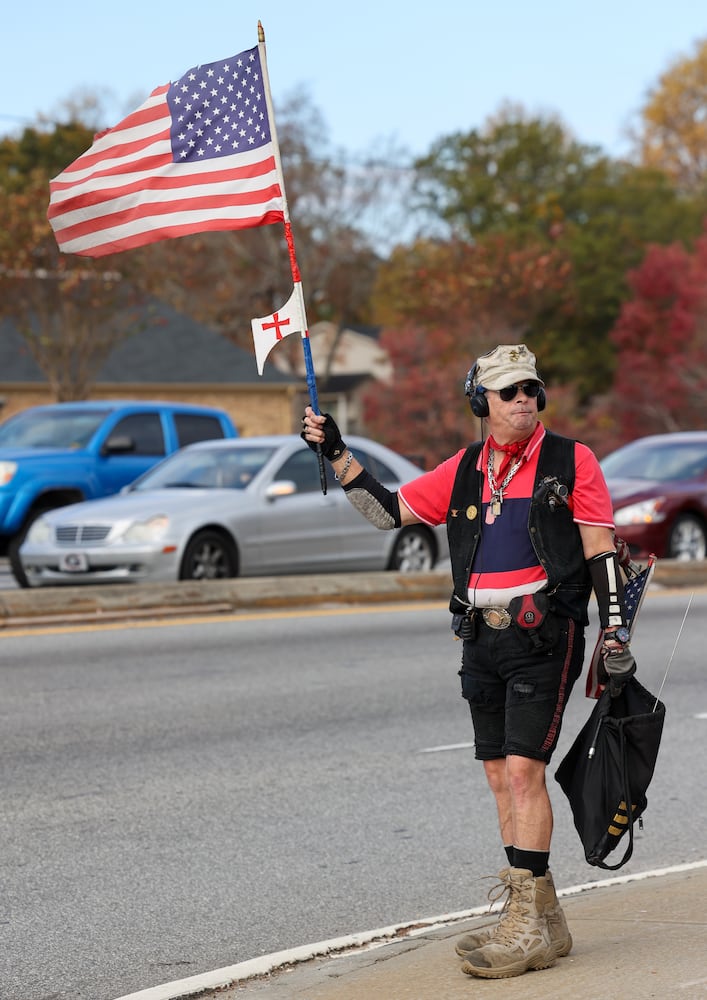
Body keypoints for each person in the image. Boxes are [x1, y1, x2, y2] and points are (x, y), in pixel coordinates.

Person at [301, 343, 637, 981]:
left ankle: (527, 927)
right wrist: (338, 454)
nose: (522, 401)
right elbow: (388, 512)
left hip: (544, 634)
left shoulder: (571, 460)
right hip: (479, 639)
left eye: (530, 389)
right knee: (496, 777)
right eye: (508, 392)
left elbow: (600, 553)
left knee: (521, 773)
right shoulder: (463, 468)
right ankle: (537, 915)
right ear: (480, 401)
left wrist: (614, 633)